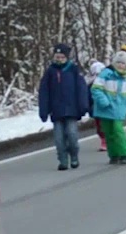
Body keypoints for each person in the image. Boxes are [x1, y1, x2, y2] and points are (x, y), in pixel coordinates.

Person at [38, 43, 91, 171]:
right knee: (59, 139)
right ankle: (62, 160)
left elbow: (81, 89)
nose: (59, 59)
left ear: (66, 57)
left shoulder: (73, 70)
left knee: (72, 135)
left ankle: (74, 156)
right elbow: (44, 92)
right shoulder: (50, 72)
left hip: (72, 110)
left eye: (62, 57)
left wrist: (84, 105)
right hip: (56, 112)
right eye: (57, 57)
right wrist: (44, 110)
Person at [90, 51, 126, 165]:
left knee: (118, 131)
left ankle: (124, 153)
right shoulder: (105, 74)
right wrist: (104, 101)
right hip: (105, 109)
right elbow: (96, 89)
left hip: (118, 111)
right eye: (118, 63)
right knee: (108, 132)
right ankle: (113, 154)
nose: (120, 65)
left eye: (123, 63)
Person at [86, 60, 107, 152]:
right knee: (99, 126)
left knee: (109, 125)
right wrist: (89, 109)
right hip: (96, 109)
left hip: (107, 108)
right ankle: (104, 140)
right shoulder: (89, 85)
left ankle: (108, 140)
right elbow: (88, 98)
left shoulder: (108, 82)